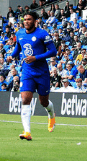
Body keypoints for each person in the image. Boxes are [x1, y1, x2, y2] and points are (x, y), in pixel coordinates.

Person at [10, 11, 59, 140]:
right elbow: (18, 48)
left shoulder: (42, 34)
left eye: (29, 19)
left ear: (35, 21)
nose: (26, 21)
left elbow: (53, 51)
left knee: (44, 102)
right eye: (25, 19)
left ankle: (51, 115)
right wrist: (11, 56)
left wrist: (35, 57)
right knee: (25, 99)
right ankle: (27, 132)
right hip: (27, 71)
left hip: (42, 72)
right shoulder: (19, 33)